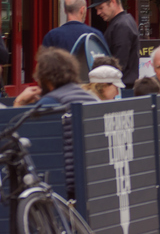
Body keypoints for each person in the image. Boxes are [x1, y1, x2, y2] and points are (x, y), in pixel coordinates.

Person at [13, 48, 98, 201]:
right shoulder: (90, 98)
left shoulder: (51, 103)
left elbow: (20, 136)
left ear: (46, 78)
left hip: (66, 185)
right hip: (92, 179)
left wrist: (19, 103)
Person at [42, 0, 110, 76]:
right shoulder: (94, 35)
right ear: (82, 10)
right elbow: (105, 65)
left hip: (62, 85)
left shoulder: (52, 35)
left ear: (65, 10)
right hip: (88, 85)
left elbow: (44, 67)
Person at [90, 0, 140, 87]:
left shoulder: (121, 25)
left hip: (120, 87)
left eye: (101, 8)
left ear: (112, 2)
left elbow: (119, 62)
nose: (98, 13)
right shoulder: (125, 21)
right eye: (97, 9)